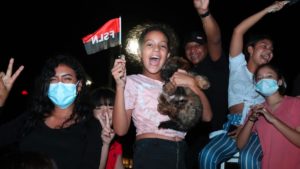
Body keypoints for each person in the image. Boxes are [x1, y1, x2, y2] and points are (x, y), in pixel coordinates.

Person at [199, 1, 289, 169]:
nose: (269, 51)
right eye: (264, 46)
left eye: (271, 50)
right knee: (207, 155)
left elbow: (281, 101)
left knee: (249, 159)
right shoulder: (237, 66)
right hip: (233, 125)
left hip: (258, 124)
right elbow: (238, 30)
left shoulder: (268, 81)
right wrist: (268, 9)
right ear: (250, 49)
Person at [111, 22, 212, 169]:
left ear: (168, 55)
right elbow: (120, 129)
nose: (156, 49)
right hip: (151, 152)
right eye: (149, 44)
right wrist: (120, 86)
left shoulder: (178, 82)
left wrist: (192, 84)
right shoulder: (132, 81)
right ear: (140, 52)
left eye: (162, 46)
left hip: (181, 152)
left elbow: (207, 116)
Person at [0, 54, 102, 169]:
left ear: (79, 85)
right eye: (53, 79)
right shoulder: (31, 118)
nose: (59, 84)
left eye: (67, 78)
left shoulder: (90, 126)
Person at [183, 0, 229, 168]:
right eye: (188, 47)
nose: (192, 50)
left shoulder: (215, 62)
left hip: (219, 132)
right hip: (195, 135)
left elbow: (215, 39)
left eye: (197, 46)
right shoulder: (187, 73)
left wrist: (204, 13)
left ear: (207, 48)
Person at [237, 63, 300, 169]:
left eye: (269, 76)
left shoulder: (296, 103)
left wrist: (273, 120)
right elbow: (240, 144)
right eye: (259, 78)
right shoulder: (256, 110)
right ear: (256, 85)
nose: (264, 81)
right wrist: (251, 119)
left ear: (280, 81)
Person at [90, 87, 124, 169]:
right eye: (99, 108)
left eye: (111, 108)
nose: (105, 113)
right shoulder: (82, 138)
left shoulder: (116, 146)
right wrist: (105, 144)